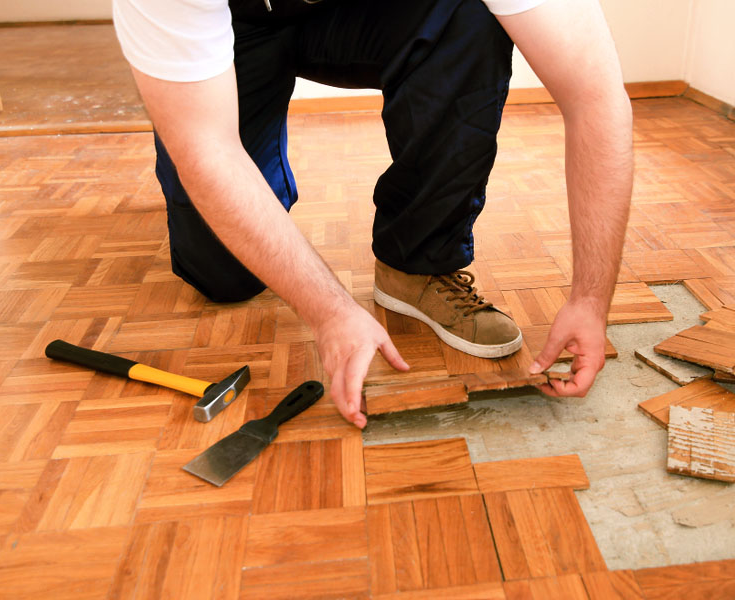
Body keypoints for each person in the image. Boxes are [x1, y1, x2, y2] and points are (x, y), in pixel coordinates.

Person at [112, 0, 633, 428]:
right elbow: (207, 149)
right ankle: (256, 169)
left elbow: (595, 95)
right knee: (224, 274)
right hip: (235, 22)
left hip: (370, 15)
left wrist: (591, 297)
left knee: (467, 16)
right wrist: (330, 311)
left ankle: (418, 262)